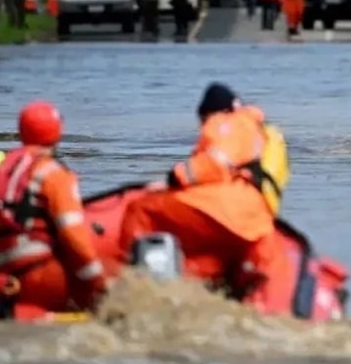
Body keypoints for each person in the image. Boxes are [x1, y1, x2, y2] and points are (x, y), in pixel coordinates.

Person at [123, 83, 287, 292]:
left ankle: (127, 283)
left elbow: (214, 162)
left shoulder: (227, 122)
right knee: (210, 256)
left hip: (226, 209)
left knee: (140, 209)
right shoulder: (259, 131)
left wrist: (172, 180)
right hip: (256, 220)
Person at [0, 101, 108, 319]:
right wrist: (99, 285)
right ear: (57, 131)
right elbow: (74, 236)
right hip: (38, 280)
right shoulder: (52, 173)